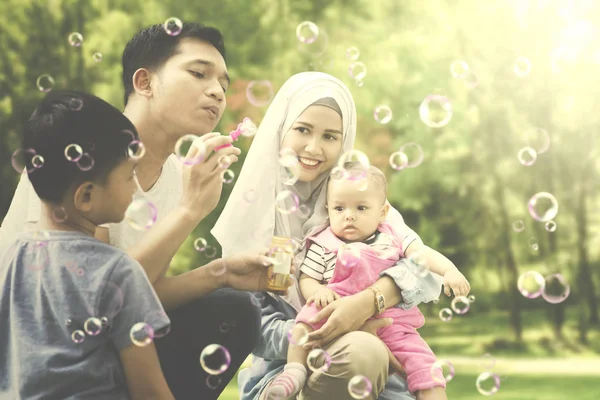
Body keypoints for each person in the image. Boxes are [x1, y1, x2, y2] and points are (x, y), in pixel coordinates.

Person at [0, 22, 288, 399]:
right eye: (199, 73)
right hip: (34, 346)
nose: (217, 91)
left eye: (223, 82)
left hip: (103, 334)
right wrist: (189, 210)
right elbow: (90, 293)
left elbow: (138, 293)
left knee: (235, 308)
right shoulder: (80, 153)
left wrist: (220, 272)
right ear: (144, 82)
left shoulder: (173, 174)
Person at [212, 72, 458, 400]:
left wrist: (369, 300)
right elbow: (252, 326)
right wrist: (333, 329)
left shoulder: (353, 203)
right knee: (362, 351)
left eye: (330, 136)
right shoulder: (263, 219)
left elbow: (423, 270)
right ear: (281, 129)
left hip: (381, 372)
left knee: (373, 355)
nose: (314, 148)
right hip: (286, 373)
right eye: (302, 130)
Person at [0, 90, 176, 399]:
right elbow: (151, 393)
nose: (135, 187)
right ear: (86, 196)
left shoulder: (10, 256)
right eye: (128, 174)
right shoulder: (117, 272)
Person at [268, 163, 470, 400]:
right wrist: (318, 291)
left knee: (423, 361)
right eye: (339, 208)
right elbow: (307, 277)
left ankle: (433, 395)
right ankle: (294, 371)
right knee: (304, 324)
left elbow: (422, 254)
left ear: (382, 212)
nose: (349, 215)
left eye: (361, 208)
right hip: (334, 310)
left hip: (391, 321)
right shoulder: (323, 243)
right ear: (328, 209)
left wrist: (450, 270)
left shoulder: (392, 237)